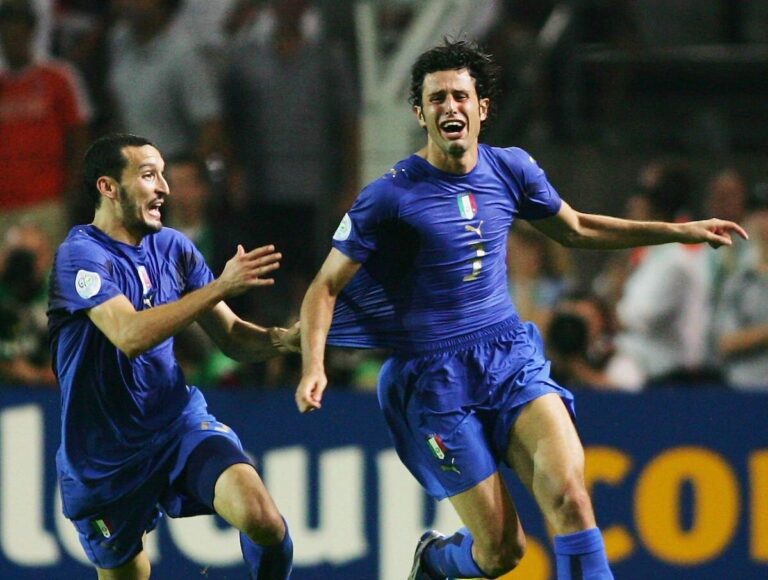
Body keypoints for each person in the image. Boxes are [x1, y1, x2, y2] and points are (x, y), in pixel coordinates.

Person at [293, 39, 747, 580]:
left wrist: (678, 232)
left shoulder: (511, 169)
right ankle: (438, 561)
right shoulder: (388, 196)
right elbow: (324, 287)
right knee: (502, 553)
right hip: (434, 380)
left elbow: (576, 228)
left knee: (572, 500)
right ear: (420, 113)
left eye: (459, 96)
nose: (449, 107)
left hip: (510, 358)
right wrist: (313, 366)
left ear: (481, 107)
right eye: (435, 99)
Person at [47, 134, 298, 580]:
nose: (164, 187)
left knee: (262, 518)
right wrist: (219, 286)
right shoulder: (80, 257)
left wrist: (286, 340)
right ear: (108, 187)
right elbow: (129, 335)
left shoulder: (174, 248)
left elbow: (234, 338)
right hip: (104, 461)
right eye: (148, 175)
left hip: (175, 425)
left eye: (163, 174)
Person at [0, 0, 91, 246]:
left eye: (18, 32)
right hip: (4, 206)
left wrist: (71, 192)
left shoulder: (59, 78)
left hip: (48, 201)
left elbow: (79, 137)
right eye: (6, 32)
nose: (12, 38)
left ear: (31, 31)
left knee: (49, 279)